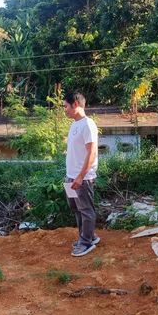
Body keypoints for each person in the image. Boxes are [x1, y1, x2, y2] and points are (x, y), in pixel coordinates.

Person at [63, 91, 100, 257]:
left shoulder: (88, 125)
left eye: (65, 106)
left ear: (75, 104)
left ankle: (86, 243)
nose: (64, 110)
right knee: (76, 208)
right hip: (70, 177)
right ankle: (87, 236)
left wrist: (80, 176)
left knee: (86, 210)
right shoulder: (74, 125)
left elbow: (91, 152)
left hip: (82, 178)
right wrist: (72, 176)